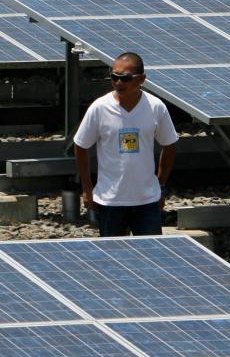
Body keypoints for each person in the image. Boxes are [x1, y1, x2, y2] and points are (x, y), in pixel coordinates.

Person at [74, 51, 178, 236]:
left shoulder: (156, 107)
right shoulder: (99, 107)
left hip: (147, 201)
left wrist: (160, 185)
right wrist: (87, 189)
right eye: (114, 77)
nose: (118, 83)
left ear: (141, 79)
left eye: (125, 78)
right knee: (114, 258)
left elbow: (169, 145)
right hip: (110, 202)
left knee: (150, 256)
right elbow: (81, 145)